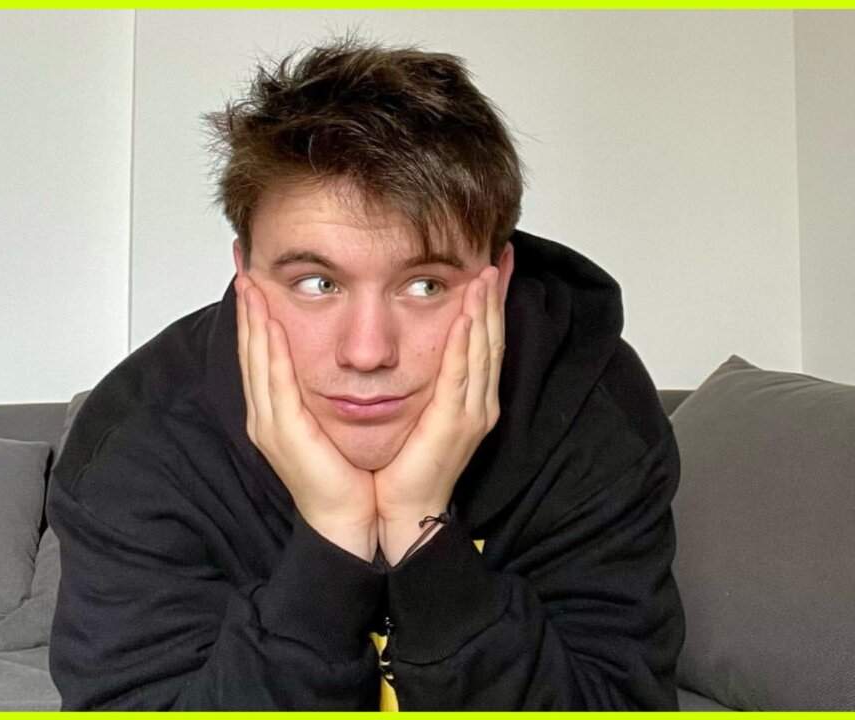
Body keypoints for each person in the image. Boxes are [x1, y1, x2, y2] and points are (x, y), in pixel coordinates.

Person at [47, 36, 685, 710]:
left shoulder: (592, 411)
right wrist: (332, 540)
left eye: (426, 286)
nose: (367, 351)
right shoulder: (138, 442)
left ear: (497, 280)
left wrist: (420, 529)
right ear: (245, 274)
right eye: (317, 283)